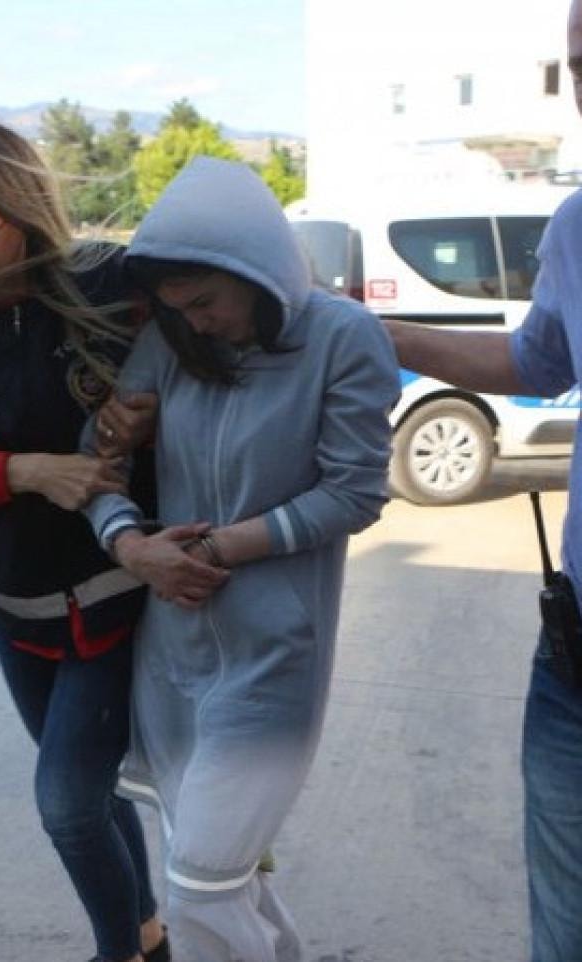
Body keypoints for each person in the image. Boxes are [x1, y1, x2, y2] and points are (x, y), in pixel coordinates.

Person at [84, 156, 399, 961]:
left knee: (200, 888)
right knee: (230, 881)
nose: (195, 323)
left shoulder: (343, 338)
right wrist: (130, 544)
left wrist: (221, 546)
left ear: (256, 270)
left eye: (205, 302)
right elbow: (96, 461)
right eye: (177, 308)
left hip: (272, 665)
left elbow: (355, 493)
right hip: (171, 666)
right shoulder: (169, 342)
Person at [0, 118, 168, 962]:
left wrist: (151, 412)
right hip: (13, 603)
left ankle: (118, 951)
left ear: (25, 212)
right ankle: (148, 933)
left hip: (115, 595)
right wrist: (25, 472)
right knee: (92, 789)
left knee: (67, 805)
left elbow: (208, 369)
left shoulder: (111, 286)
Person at [385, 7, 582, 957]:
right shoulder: (577, 226)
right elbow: (538, 358)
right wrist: (381, 336)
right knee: (564, 924)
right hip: (577, 655)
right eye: (580, 67)